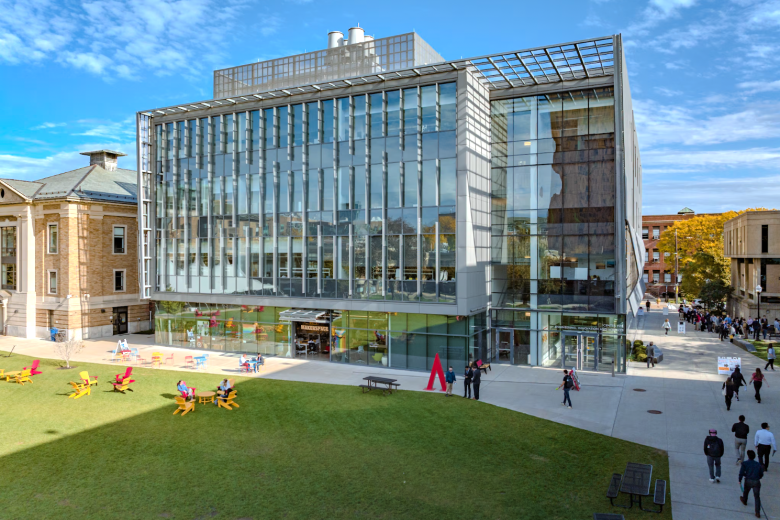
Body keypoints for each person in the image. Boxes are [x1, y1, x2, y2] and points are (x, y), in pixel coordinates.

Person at [739, 450, 764, 518]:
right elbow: (761, 474)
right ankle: (757, 512)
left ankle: (744, 500)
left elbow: (741, 472)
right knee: (757, 497)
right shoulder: (758, 464)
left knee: (746, 491)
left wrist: (740, 479)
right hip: (756, 481)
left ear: (748, 456)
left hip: (748, 480)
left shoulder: (745, 463)